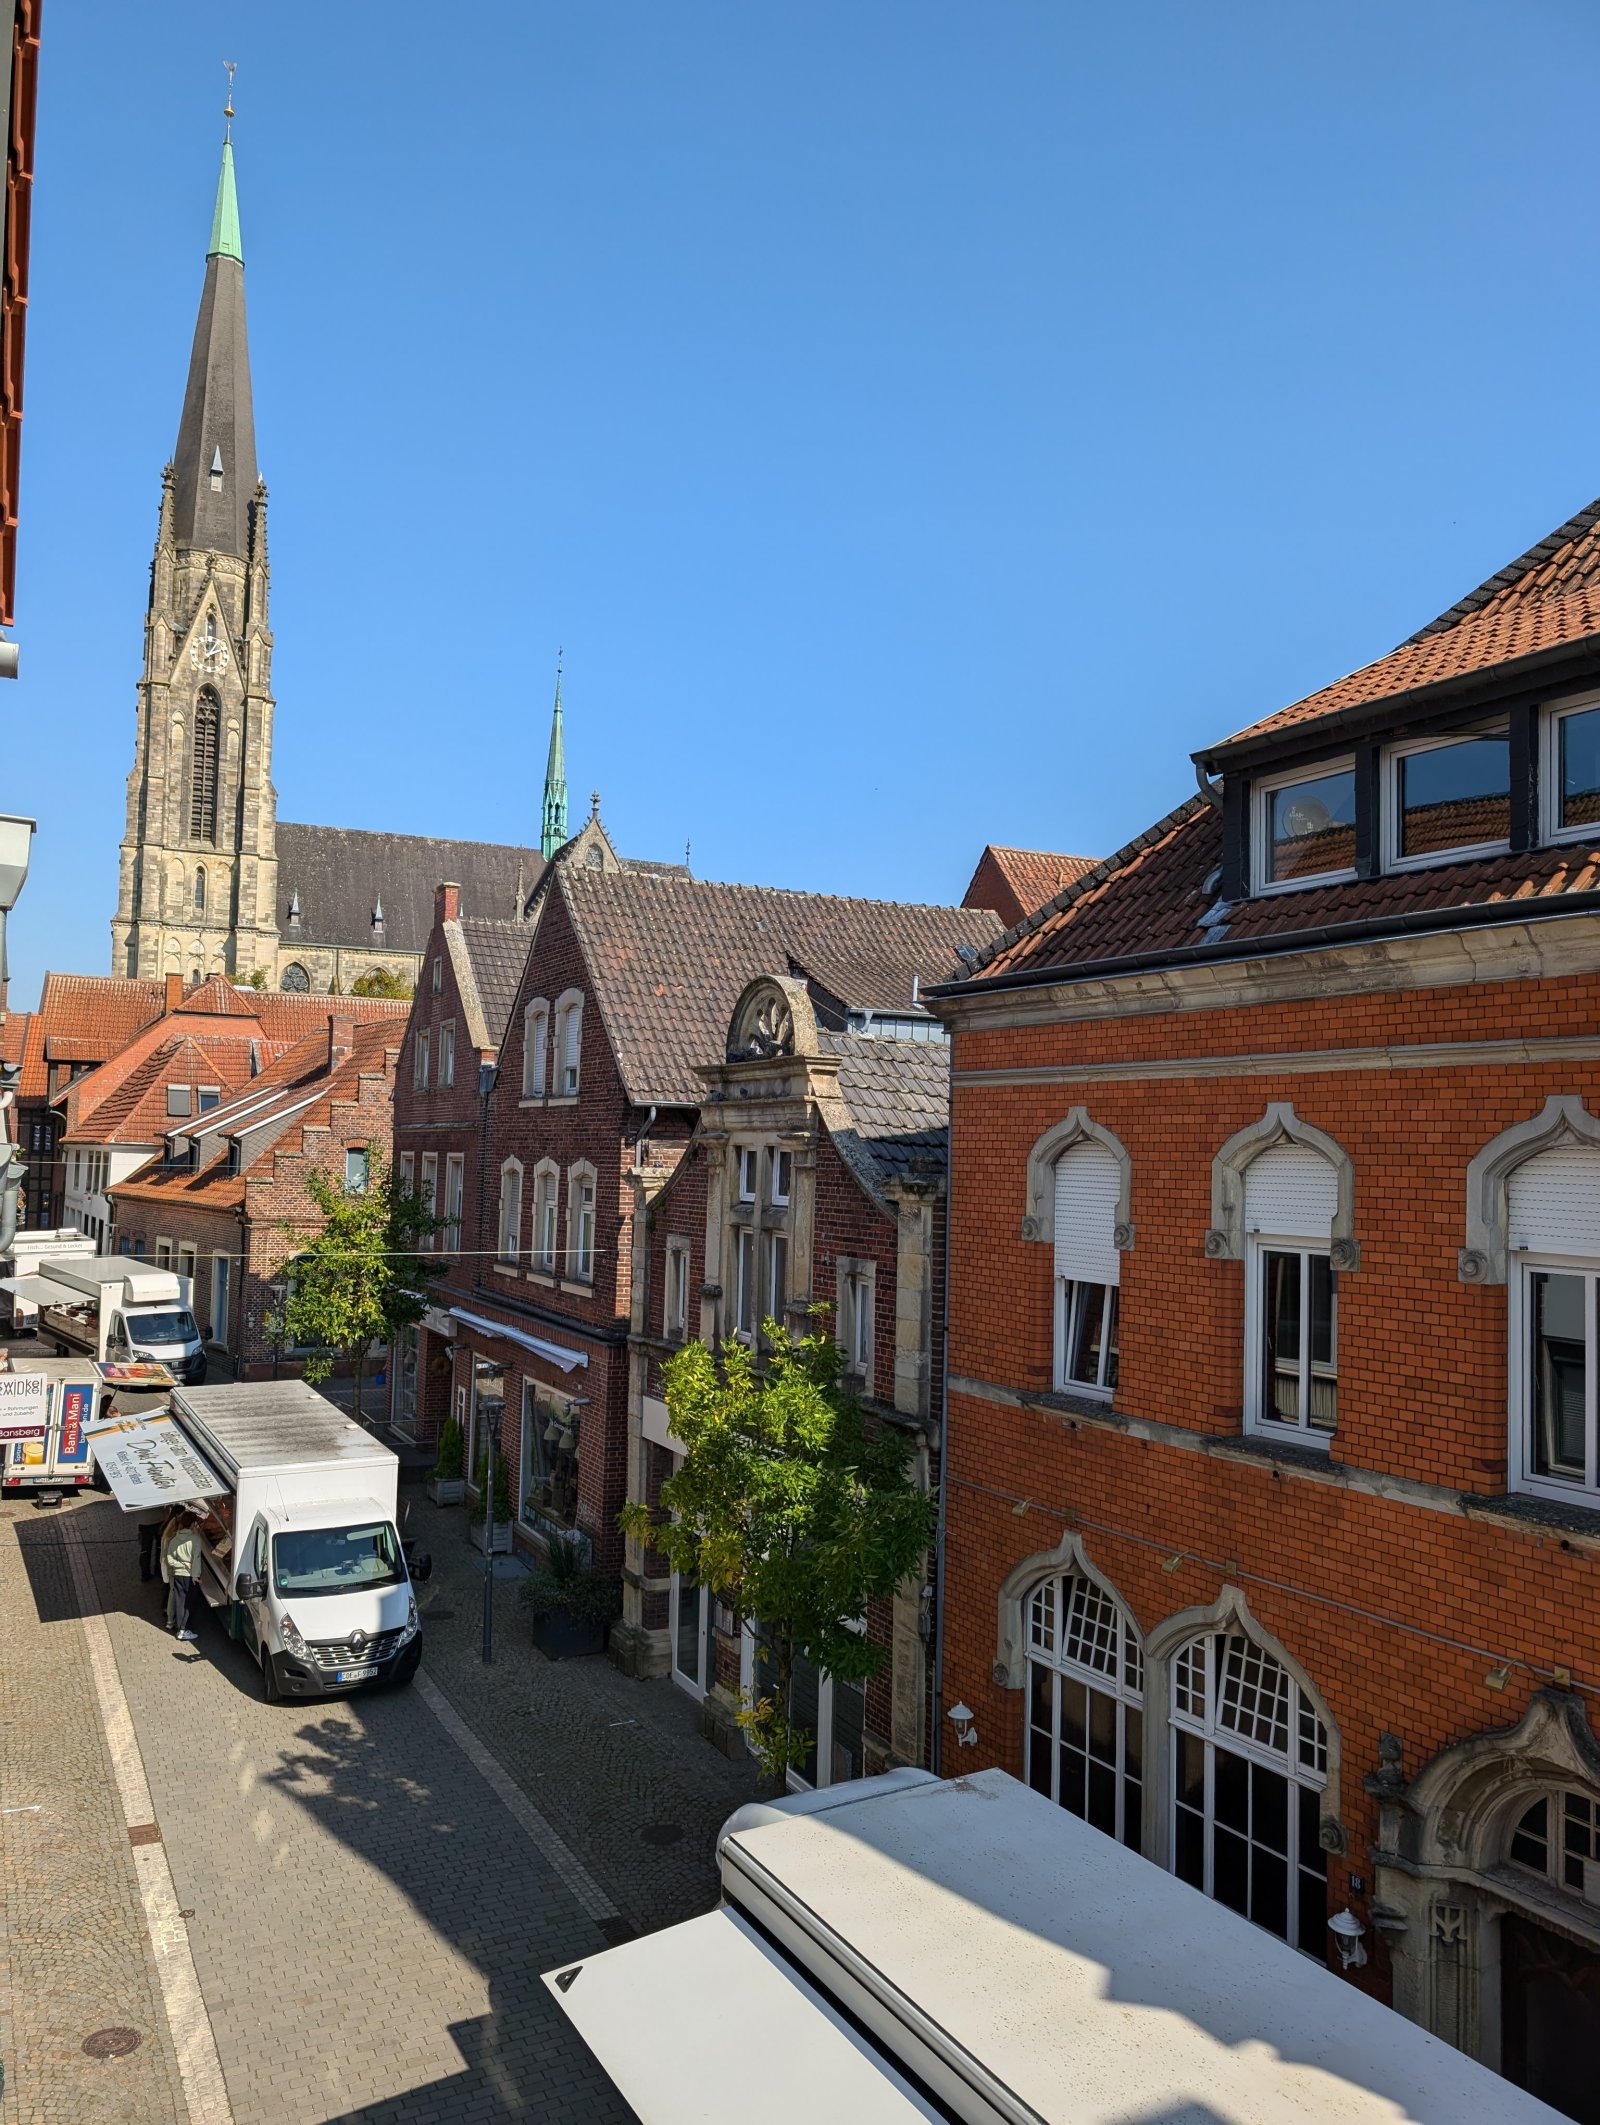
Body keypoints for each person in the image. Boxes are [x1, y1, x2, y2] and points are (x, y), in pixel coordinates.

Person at [162, 1509, 202, 1641]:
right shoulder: (195, 1540)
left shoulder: (174, 1540)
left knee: (180, 1602)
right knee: (190, 1603)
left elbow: (170, 1560)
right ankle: (183, 1630)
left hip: (178, 1575)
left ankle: (179, 1627)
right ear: (192, 1524)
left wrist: (181, 1565)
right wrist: (195, 1576)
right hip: (190, 1576)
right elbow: (195, 1559)